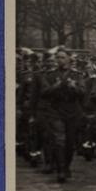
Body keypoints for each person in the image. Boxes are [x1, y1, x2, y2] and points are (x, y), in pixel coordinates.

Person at [32, 46, 86, 183]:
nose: (59, 60)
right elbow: (43, 93)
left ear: (69, 59)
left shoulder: (77, 75)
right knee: (59, 140)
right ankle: (61, 170)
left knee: (70, 143)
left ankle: (66, 167)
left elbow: (83, 93)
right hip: (56, 111)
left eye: (62, 57)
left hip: (73, 112)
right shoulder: (49, 75)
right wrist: (55, 87)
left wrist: (74, 88)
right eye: (58, 57)